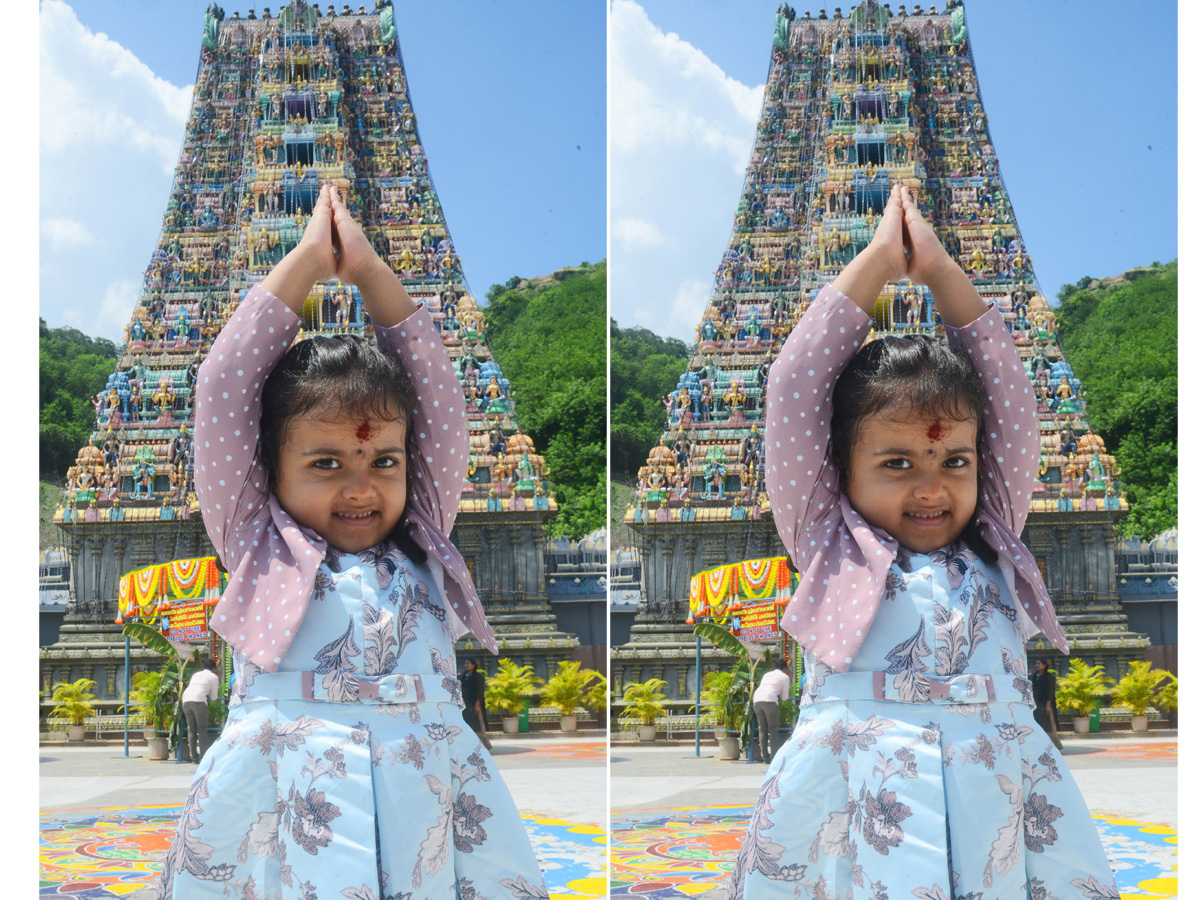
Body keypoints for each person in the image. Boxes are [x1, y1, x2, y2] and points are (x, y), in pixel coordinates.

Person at [155, 185, 547, 899]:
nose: (361, 488)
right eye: (326, 463)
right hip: (286, 796)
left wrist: (369, 271)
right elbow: (221, 388)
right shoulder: (257, 541)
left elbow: (440, 399)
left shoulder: (424, 533)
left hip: (422, 797)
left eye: (383, 461)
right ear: (268, 470)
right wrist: (308, 261)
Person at [730, 185, 1115, 899]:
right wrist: (879, 261)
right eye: (897, 463)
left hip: (992, 799)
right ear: (839, 469)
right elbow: (792, 387)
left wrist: (941, 271)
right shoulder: (828, 539)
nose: (932, 488)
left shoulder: (994, 534)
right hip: (856, 798)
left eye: (954, 461)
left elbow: (1011, 400)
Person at [181, 658, 220, 763]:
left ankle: (194, 758)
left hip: (186, 700)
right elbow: (214, 697)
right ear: (214, 668)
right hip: (199, 700)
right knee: (202, 729)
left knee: (191, 729)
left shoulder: (196, 675)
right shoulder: (213, 677)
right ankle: (203, 757)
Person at [751, 660, 790, 763]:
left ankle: (765, 757)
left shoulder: (767, 674)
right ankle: (775, 757)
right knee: (773, 729)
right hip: (770, 700)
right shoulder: (785, 677)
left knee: (762, 729)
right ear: (785, 669)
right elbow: (785, 697)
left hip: (757, 699)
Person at [1031, 657, 1065, 751]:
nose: (1036, 665)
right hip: (1037, 705)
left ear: (1044, 665)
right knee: (1039, 725)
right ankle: (1041, 745)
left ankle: (1054, 745)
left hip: (1046, 705)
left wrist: (1048, 705)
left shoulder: (1049, 677)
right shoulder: (1033, 676)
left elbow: (1051, 692)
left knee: (1049, 725)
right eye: (1036, 664)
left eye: (1039, 663)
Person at [460, 658, 493, 750]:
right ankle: (469, 745)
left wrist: (477, 705)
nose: (465, 665)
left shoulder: (478, 677)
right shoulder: (463, 676)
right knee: (467, 725)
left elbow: (480, 692)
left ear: (473, 665)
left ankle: (481, 745)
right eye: (465, 663)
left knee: (477, 725)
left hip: (475, 704)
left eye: (468, 663)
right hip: (465, 705)